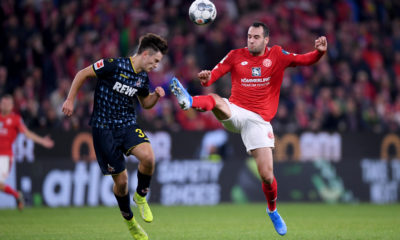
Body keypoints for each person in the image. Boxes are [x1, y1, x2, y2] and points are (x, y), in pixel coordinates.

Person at [170, 22, 327, 236]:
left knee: (266, 175)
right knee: (216, 100)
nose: (251, 40)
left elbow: (304, 59)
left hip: (259, 121)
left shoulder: (277, 55)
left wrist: (319, 53)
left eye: (255, 37)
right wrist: (207, 78)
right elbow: (213, 76)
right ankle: (189, 101)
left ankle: (272, 210)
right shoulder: (235, 55)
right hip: (236, 111)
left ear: (266, 40)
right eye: (249, 36)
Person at [62, 33, 168, 240]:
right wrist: (70, 100)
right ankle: (130, 221)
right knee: (121, 183)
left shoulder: (142, 77)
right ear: (145, 54)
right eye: (155, 61)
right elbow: (82, 74)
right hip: (104, 129)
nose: (156, 66)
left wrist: (155, 96)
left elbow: (145, 103)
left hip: (127, 124)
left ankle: (141, 196)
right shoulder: (112, 65)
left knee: (148, 157)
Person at [0, 94, 54, 210]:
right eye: (3, 103)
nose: (5, 105)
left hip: (5, 157)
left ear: (11, 106)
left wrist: (42, 141)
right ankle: (17, 195)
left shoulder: (15, 119)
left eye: (7, 104)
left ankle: (17, 195)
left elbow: (27, 134)